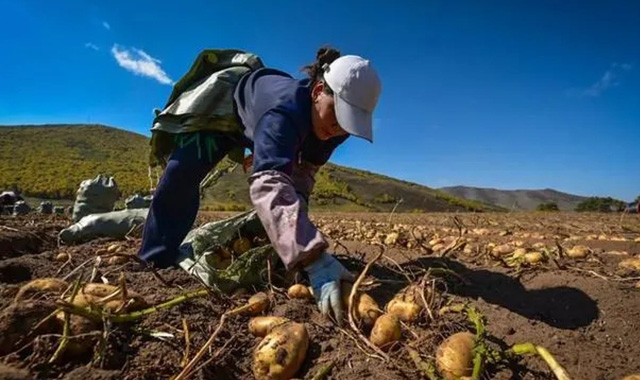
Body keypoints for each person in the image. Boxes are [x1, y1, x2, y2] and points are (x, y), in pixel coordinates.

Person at [138, 47, 382, 324]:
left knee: (284, 206)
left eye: (347, 124)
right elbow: (269, 182)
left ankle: (283, 253)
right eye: (336, 117)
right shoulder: (283, 112)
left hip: (264, 123)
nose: (338, 129)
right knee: (180, 175)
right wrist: (312, 257)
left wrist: (295, 226)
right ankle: (154, 260)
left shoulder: (333, 132)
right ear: (317, 94)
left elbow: (303, 174)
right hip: (225, 108)